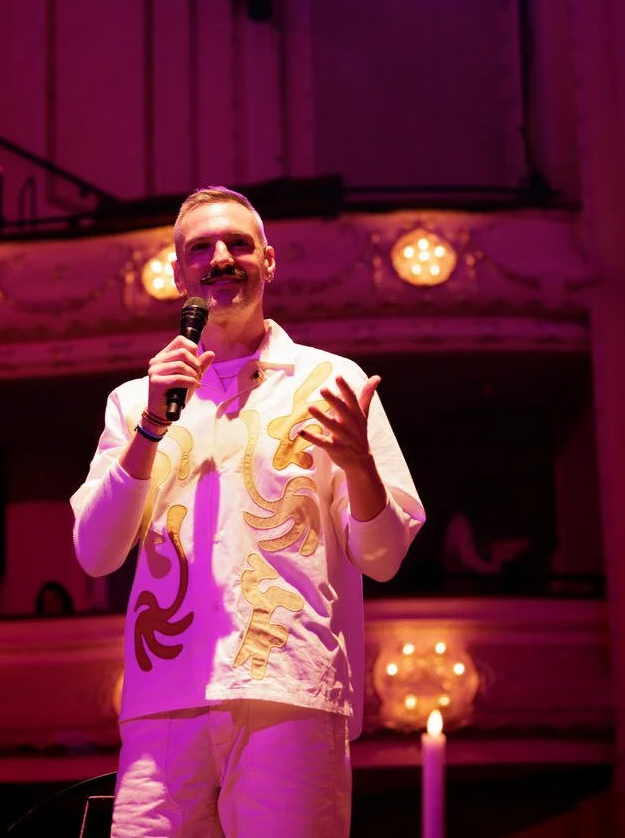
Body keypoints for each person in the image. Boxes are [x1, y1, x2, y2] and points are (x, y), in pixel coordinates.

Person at [70, 185, 425, 838]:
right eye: (200, 247)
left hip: (287, 690)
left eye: (237, 242)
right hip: (162, 703)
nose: (221, 257)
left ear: (269, 259)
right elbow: (95, 551)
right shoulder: (134, 402)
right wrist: (152, 425)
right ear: (179, 273)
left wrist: (359, 466)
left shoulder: (333, 382)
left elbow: (383, 558)